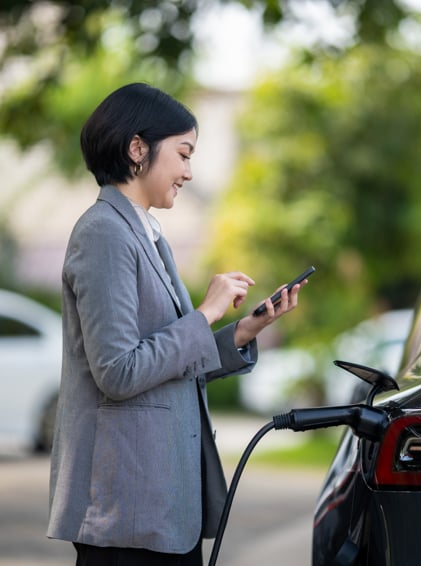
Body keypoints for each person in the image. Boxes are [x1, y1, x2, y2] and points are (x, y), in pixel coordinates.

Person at [47, 82, 307, 566]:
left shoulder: (144, 232)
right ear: (137, 148)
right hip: (127, 514)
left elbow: (168, 362)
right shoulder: (104, 232)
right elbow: (119, 371)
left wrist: (242, 333)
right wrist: (206, 312)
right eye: (184, 154)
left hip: (159, 508)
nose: (189, 172)